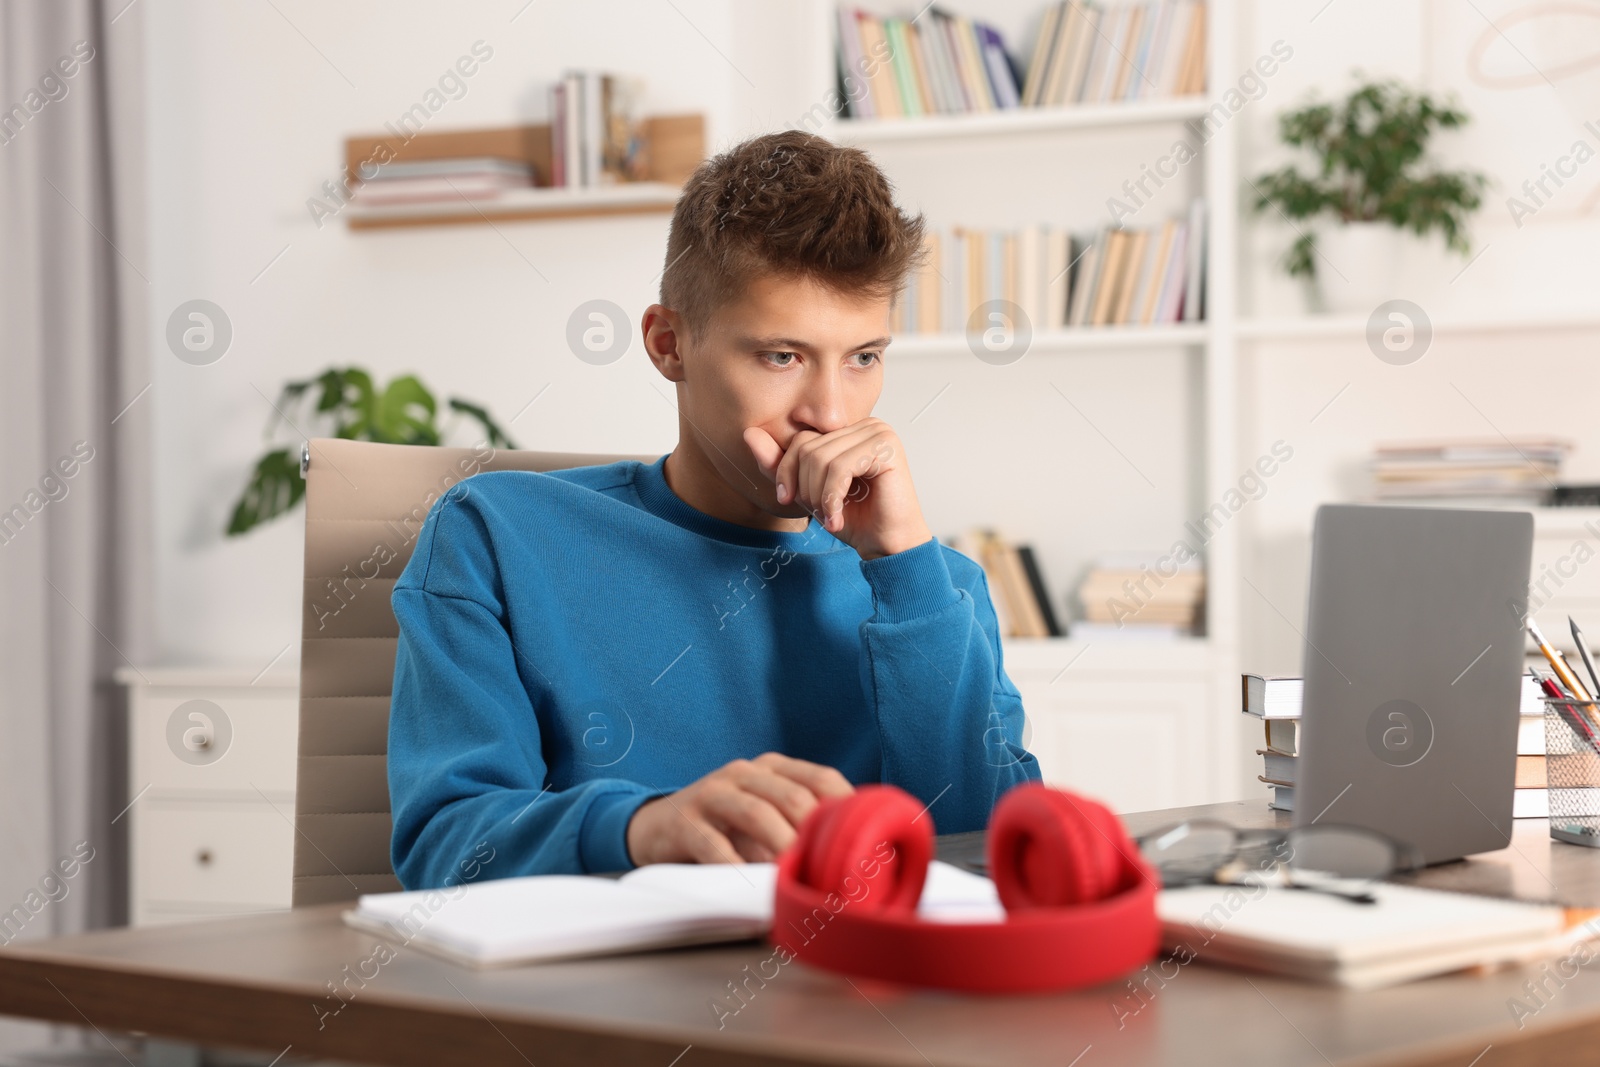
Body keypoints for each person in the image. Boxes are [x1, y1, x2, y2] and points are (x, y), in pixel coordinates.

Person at [387, 130, 1040, 888]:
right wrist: (640, 829)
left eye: (864, 356)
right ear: (669, 345)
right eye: (781, 356)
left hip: (867, 994)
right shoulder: (497, 535)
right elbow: (444, 851)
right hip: (602, 999)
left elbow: (994, 859)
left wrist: (907, 571)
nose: (831, 413)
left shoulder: (934, 583)